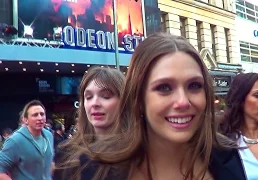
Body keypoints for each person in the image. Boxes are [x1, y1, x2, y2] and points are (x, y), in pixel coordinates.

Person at [70, 33, 234, 180]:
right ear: (138, 98)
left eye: (194, 86)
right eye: (164, 88)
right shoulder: (96, 168)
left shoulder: (228, 158)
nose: (183, 102)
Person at [53, 66, 125, 179]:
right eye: (89, 97)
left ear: (124, 101)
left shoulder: (141, 154)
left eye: (105, 96)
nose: (94, 103)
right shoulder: (66, 153)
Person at [0, 100, 54, 180]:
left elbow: (50, 163)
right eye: (35, 115)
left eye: (42, 114)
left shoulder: (49, 135)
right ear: (25, 120)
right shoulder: (15, 140)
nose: (40, 118)